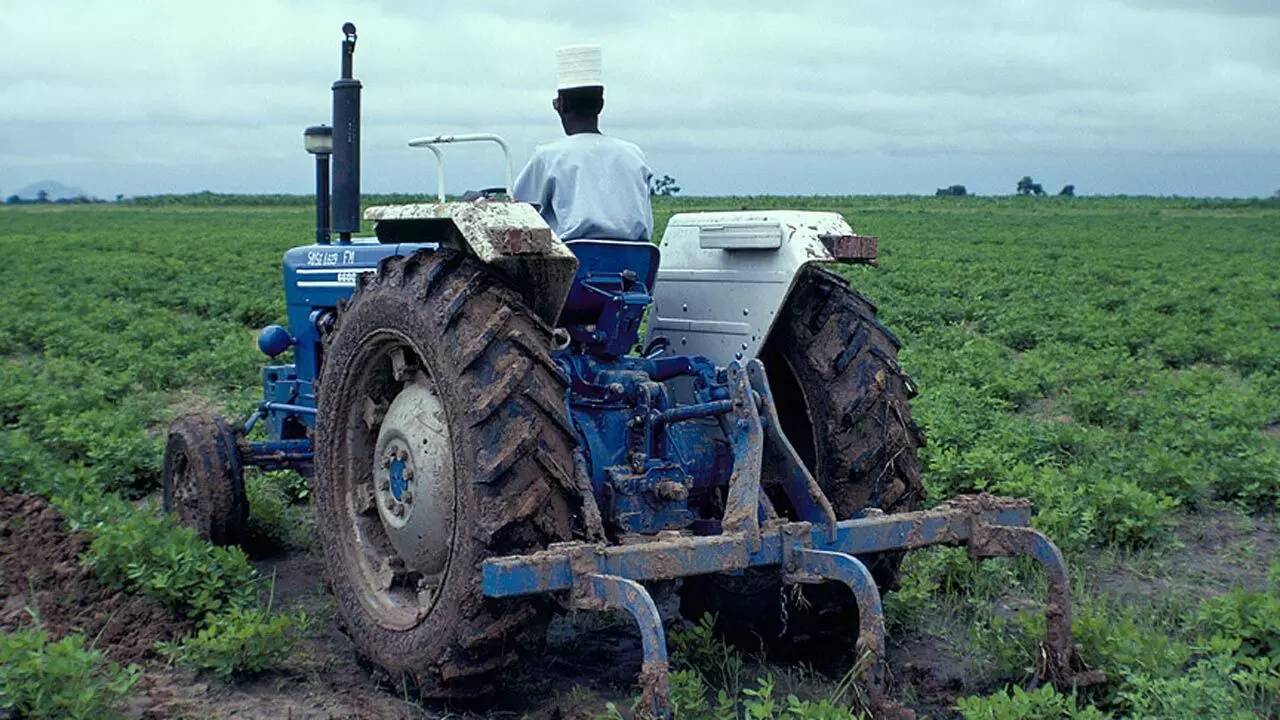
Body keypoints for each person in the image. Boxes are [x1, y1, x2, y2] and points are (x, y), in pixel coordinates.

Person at [512, 45, 654, 242]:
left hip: (573, 267)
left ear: (562, 105)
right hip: (634, 268)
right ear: (601, 104)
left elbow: (517, 212)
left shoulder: (549, 156)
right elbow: (646, 223)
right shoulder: (634, 155)